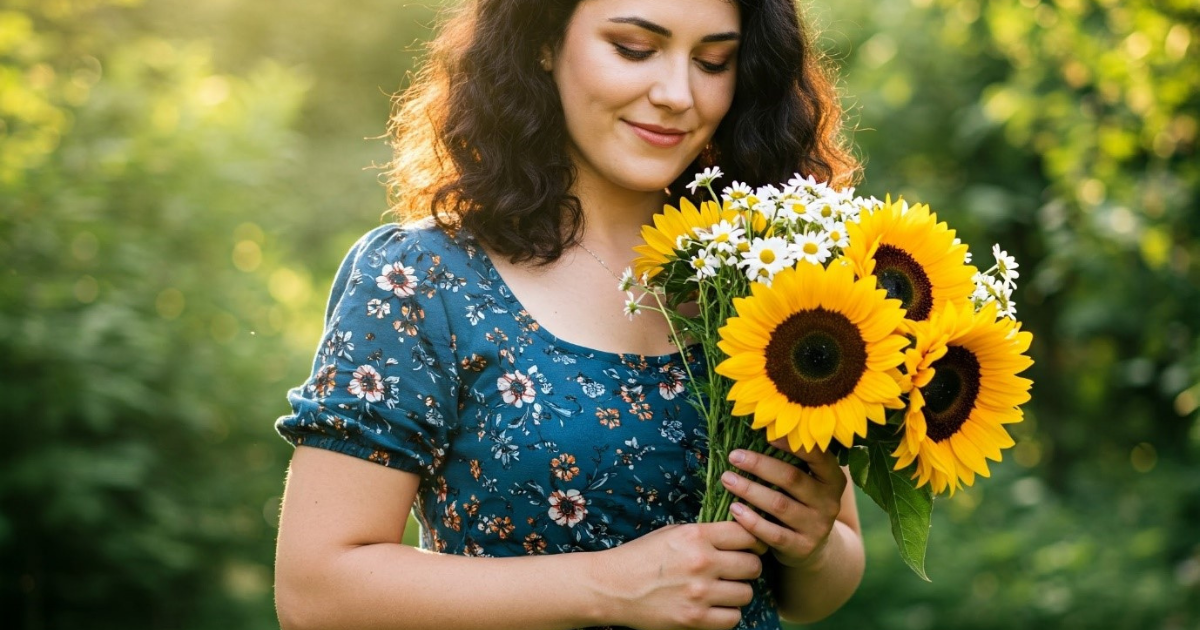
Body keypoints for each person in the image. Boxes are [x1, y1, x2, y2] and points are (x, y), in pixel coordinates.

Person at [273, 1, 865, 628]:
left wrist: (815, 545)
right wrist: (607, 586)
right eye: (634, 49)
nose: (677, 93)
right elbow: (317, 592)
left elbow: (820, 585)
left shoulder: (769, 273)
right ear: (543, 42)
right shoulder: (423, 279)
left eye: (713, 61)